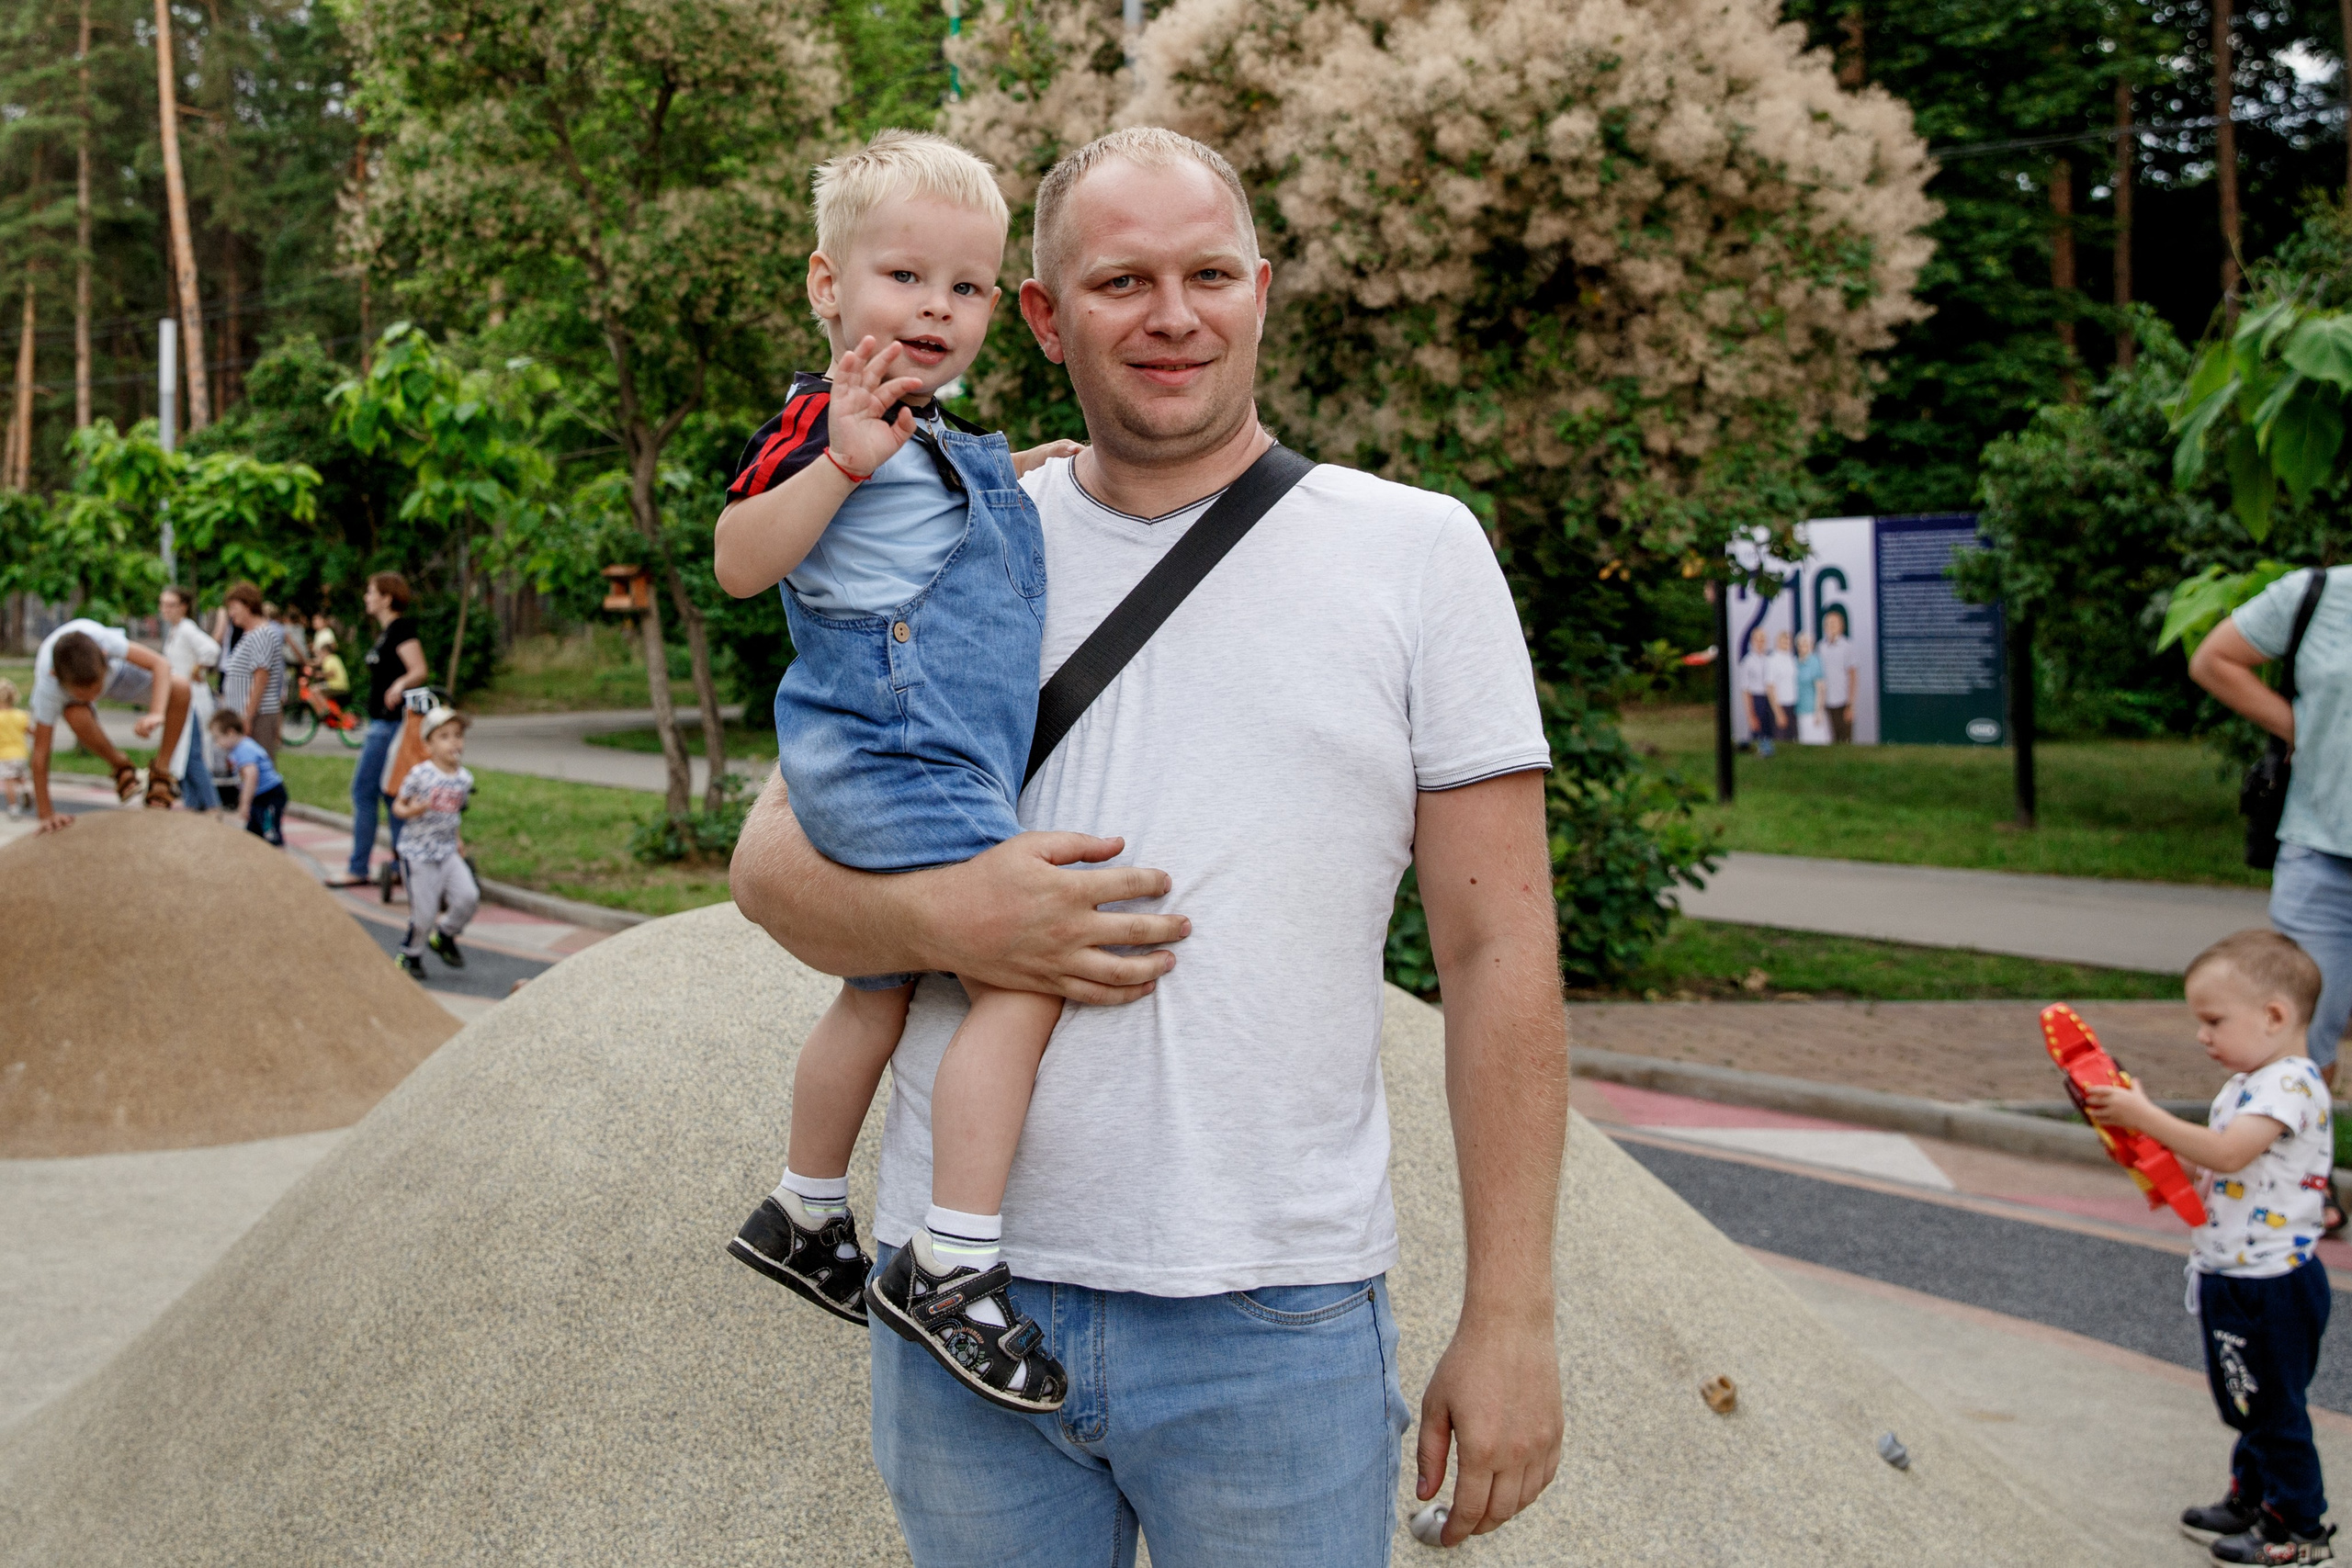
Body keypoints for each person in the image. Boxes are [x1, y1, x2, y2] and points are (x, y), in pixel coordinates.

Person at [729, 126, 1566, 1562]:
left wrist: (1513, 1315)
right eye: (1122, 281)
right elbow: (772, 865)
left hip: (1274, 1314)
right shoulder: (944, 516)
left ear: (1262, 289)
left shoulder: (1418, 553)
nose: (1173, 316)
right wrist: (959, 922)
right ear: (1043, 315)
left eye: (1209, 274)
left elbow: (1501, 950)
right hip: (961, 1310)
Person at [712, 130, 1085, 1410]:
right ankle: (951, 1261)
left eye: (967, 287)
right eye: (903, 278)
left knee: (876, 992)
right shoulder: (830, 420)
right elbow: (739, 559)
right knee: (1028, 970)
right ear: (828, 286)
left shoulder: (930, 428)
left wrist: (1021, 470)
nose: (935, 308)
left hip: (914, 756)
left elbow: (950, 509)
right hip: (902, 748)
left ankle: (806, 1211)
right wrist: (837, 465)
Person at [2086, 930, 2335, 1564]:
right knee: (2249, 1392)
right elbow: (2225, 1165)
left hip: (2270, 1280)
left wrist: (2143, 1114)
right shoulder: (2253, 1080)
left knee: (2273, 1404)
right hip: (2237, 1269)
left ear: (2275, 1016)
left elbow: (2227, 1150)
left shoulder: (2290, 1083)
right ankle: (2254, 1494)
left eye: (2214, 1020)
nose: (2203, 1035)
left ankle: (2298, 1530)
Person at [2193, 566, 2352, 1085]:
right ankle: (2296, 1164)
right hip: (2321, 852)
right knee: (2298, 1036)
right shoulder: (2320, 594)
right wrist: (2302, 732)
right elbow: (2215, 660)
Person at [26, 617, 192, 832]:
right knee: (74, 712)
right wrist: (46, 814)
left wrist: (156, 713)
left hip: (117, 676)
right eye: (83, 694)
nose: (93, 697)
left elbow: (161, 664)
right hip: (80, 692)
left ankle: (161, 773)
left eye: (96, 690)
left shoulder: (103, 641)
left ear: (105, 656)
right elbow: (40, 754)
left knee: (180, 687)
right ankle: (120, 765)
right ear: (54, 676)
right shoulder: (48, 687)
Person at [334, 572, 429, 888]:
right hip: (381, 722)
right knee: (391, 794)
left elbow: (419, 670)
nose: (366, 597)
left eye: (371, 592)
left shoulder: (400, 629)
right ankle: (403, 864)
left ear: (387, 598)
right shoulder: (386, 633)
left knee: (364, 792)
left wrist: (400, 684)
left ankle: (358, 867)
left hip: (390, 724)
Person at [390, 705, 479, 980]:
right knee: (424, 913)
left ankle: (445, 935)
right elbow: (397, 807)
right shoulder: (420, 775)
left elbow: (454, 814)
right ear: (428, 745)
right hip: (418, 852)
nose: (454, 742)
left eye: (457, 735)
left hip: (447, 850)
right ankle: (410, 954)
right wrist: (411, 811)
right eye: (444, 736)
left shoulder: (464, 779)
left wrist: (458, 839)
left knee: (468, 897)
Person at [159, 586, 222, 812]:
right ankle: (192, 805)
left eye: (171, 605)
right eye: (163, 604)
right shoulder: (175, 631)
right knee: (181, 756)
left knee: (192, 754)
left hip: (192, 701)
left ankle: (213, 805)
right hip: (179, 700)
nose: (165, 610)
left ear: (183, 607)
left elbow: (211, 650)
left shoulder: (186, 629)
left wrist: (198, 669)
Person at [216, 583, 288, 759]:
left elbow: (261, 677)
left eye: (234, 607)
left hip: (258, 717)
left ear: (248, 605)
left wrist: (248, 717)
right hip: (244, 715)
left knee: (257, 768)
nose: (231, 613)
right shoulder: (249, 634)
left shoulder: (262, 634)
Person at [209, 708, 288, 845]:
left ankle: (278, 859)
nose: (217, 743)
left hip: (270, 795)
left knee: (270, 831)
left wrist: (245, 803)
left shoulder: (244, 749)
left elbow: (251, 775)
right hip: (260, 796)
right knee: (253, 832)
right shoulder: (239, 748)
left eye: (218, 738)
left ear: (230, 732)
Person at [1820, 608, 1858, 742]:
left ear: (1841, 626)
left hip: (1843, 701)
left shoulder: (1847, 646)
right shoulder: (1820, 647)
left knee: (1845, 741)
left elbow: (1853, 676)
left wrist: (1851, 705)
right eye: (1828, 623)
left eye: (1834, 623)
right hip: (1825, 703)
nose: (1831, 627)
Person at [1739, 625, 1775, 756]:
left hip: (1768, 696)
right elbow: (1745, 689)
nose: (1760, 643)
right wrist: (1750, 713)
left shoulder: (1769, 659)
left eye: (1763, 640)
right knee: (1756, 723)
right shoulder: (1748, 661)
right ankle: (1759, 748)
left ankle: (1767, 746)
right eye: (1757, 640)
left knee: (1767, 724)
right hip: (1756, 696)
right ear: (1752, 641)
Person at [1793, 629, 1829, 745]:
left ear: (1811, 645)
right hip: (1799, 710)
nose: (1803, 646)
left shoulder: (1815, 661)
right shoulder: (1795, 662)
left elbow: (1821, 689)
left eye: (1806, 643)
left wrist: (1819, 712)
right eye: (1800, 644)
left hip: (1812, 712)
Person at [0, 678, 28, 818]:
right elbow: (30, 730)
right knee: (20, 776)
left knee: (8, 781)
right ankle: (24, 790)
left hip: (5, 755)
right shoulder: (21, 715)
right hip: (21, 754)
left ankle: (13, 808)